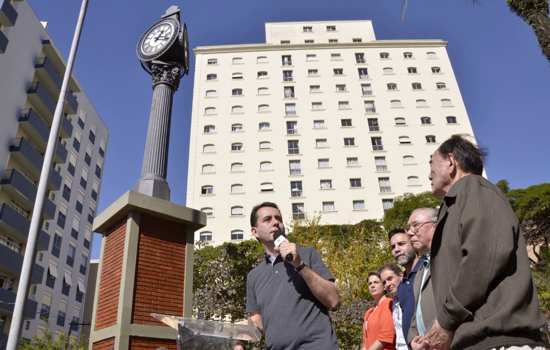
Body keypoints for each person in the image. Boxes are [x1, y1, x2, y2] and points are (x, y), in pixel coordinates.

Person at [421, 135, 546, 350]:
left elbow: (482, 259)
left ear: (451, 162)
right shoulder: (456, 203)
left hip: (500, 340)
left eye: (431, 163)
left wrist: (445, 321)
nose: (428, 173)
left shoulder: (474, 188)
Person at [245, 202, 340, 350]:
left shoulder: (307, 254)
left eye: (278, 218)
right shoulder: (253, 276)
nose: (276, 222)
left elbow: (334, 301)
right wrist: (238, 337)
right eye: (267, 219)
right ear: (255, 231)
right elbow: (257, 322)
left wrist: (299, 264)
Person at [405, 208, 438, 349]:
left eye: (415, 225)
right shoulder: (420, 270)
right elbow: (416, 312)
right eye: (408, 227)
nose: (410, 232)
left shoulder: (449, 258)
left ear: (435, 225)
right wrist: (412, 339)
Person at [388, 228, 424, 344]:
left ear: (413, 244)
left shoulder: (427, 271)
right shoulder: (401, 286)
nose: (396, 250)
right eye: (393, 247)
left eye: (401, 244)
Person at [362, 271, 396, 350]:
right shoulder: (369, 312)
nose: (372, 285)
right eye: (370, 283)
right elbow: (365, 342)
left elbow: (385, 336)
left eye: (376, 282)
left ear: (384, 286)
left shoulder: (388, 303)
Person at [379, 263, 407, 350]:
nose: (387, 284)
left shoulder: (412, 295)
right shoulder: (394, 303)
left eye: (390, 279)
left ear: (401, 275)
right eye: (384, 282)